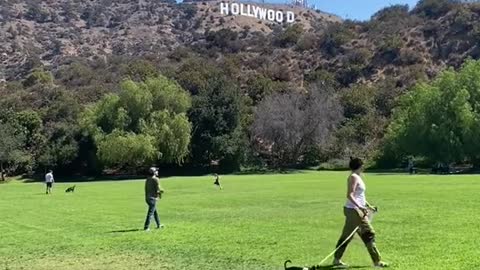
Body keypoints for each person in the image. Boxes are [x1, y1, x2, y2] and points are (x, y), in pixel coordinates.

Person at [332, 157, 388, 268]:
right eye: (363, 165)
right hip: (354, 211)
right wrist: (360, 208)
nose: (364, 167)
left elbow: (359, 196)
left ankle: (336, 260)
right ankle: (377, 262)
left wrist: (368, 206)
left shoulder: (357, 177)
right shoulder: (353, 177)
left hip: (353, 210)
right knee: (369, 233)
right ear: (360, 166)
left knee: (347, 236)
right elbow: (350, 195)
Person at [144, 167, 164, 231]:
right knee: (151, 213)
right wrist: (162, 191)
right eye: (156, 171)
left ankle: (159, 224)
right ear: (154, 172)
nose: (157, 172)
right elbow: (159, 189)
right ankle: (146, 227)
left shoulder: (147, 179)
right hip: (152, 198)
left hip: (147, 198)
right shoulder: (156, 179)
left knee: (154, 212)